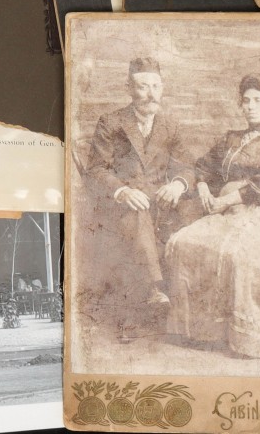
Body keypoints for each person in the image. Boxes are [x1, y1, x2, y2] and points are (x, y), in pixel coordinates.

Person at [163, 73, 260, 360]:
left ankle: (244, 338)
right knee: (183, 242)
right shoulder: (230, 138)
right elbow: (204, 166)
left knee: (238, 253)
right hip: (225, 207)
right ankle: (198, 331)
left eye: (258, 101)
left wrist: (225, 199)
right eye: (246, 101)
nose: (250, 106)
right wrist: (202, 188)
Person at [87, 56, 193, 332]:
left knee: (194, 217)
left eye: (156, 86)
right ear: (129, 88)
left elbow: (186, 166)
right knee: (137, 214)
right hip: (122, 208)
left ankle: (191, 317)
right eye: (143, 86)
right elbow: (96, 170)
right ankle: (155, 291)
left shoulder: (171, 126)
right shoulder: (111, 123)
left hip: (162, 205)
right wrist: (122, 191)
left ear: (163, 88)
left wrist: (178, 184)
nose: (151, 94)